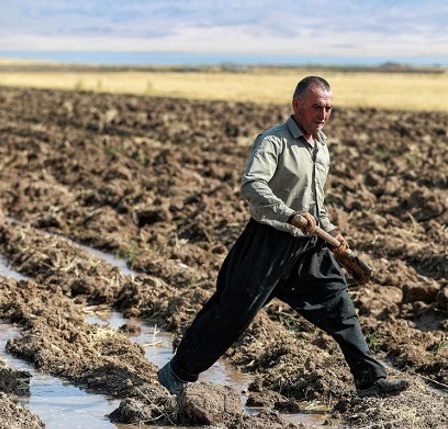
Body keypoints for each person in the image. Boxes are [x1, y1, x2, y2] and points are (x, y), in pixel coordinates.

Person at [158, 76, 408, 398]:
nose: (323, 114)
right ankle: (177, 373)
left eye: (329, 108)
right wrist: (288, 214)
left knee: (340, 307)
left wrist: (330, 231)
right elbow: (252, 185)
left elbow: (315, 203)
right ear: (297, 105)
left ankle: (370, 380)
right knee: (230, 314)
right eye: (317, 107)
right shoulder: (273, 141)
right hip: (266, 243)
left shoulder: (322, 148)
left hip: (308, 247)